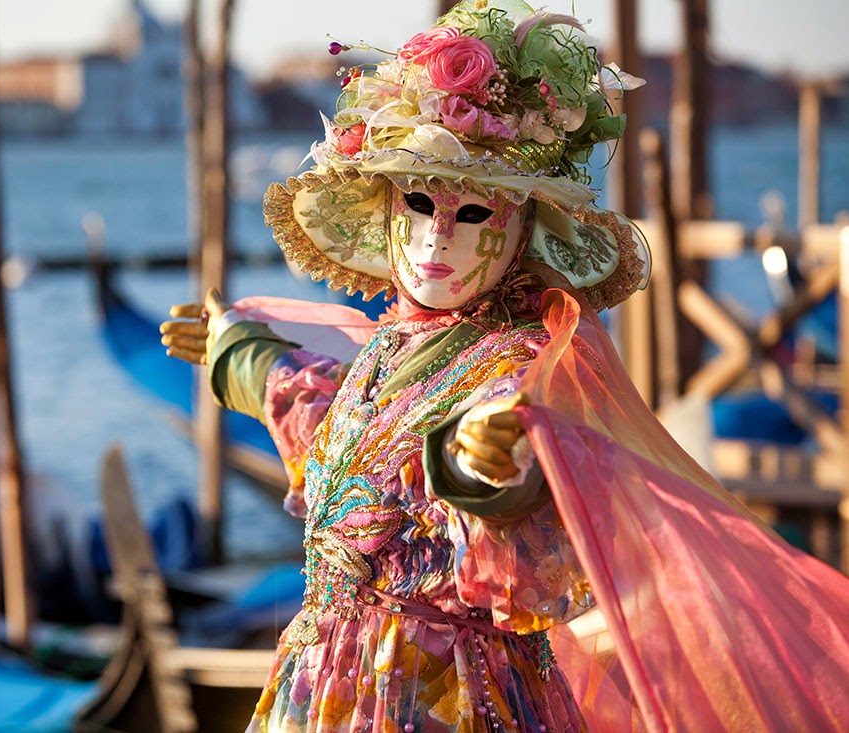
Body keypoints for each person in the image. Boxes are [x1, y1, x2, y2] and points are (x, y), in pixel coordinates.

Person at [161, 2, 849, 730]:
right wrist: (241, 351)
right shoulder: (391, 347)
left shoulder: (524, 361)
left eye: (476, 213)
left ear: (523, 230)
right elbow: (333, 420)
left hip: (445, 700)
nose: (437, 236)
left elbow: (525, 455)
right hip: (326, 689)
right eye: (419, 203)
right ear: (388, 208)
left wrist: (491, 466)